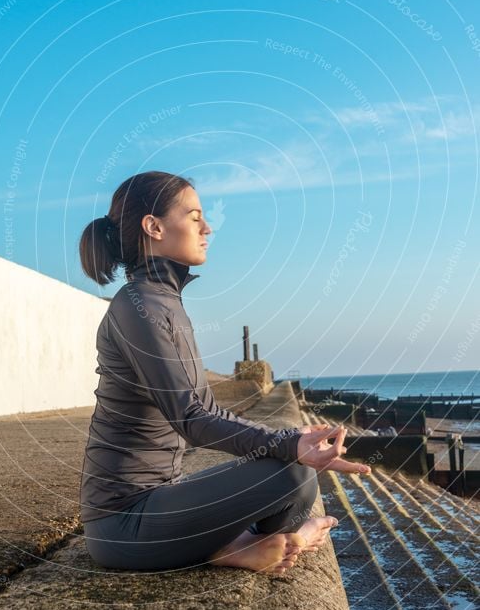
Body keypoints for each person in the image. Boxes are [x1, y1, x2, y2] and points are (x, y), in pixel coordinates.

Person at [78, 171, 371, 576]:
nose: (207, 227)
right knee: (291, 470)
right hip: (123, 524)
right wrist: (288, 445)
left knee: (300, 477)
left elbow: (211, 409)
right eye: (194, 216)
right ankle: (244, 546)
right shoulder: (136, 305)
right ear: (154, 226)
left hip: (164, 502)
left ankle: (242, 545)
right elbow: (192, 419)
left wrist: (294, 439)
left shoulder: (165, 302)